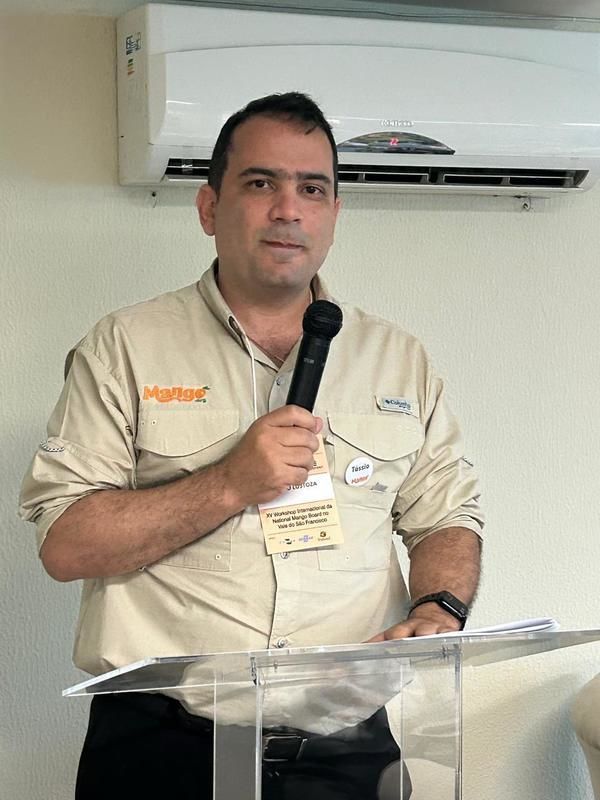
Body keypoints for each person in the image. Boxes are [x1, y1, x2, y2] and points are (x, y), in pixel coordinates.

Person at [19, 92, 483, 800]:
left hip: (347, 752)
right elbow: (67, 544)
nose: (289, 209)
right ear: (210, 208)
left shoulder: (399, 360)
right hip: (164, 750)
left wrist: (438, 608)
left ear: (333, 214)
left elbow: (445, 516)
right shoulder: (125, 347)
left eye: (313, 189)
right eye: (262, 183)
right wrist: (229, 483)